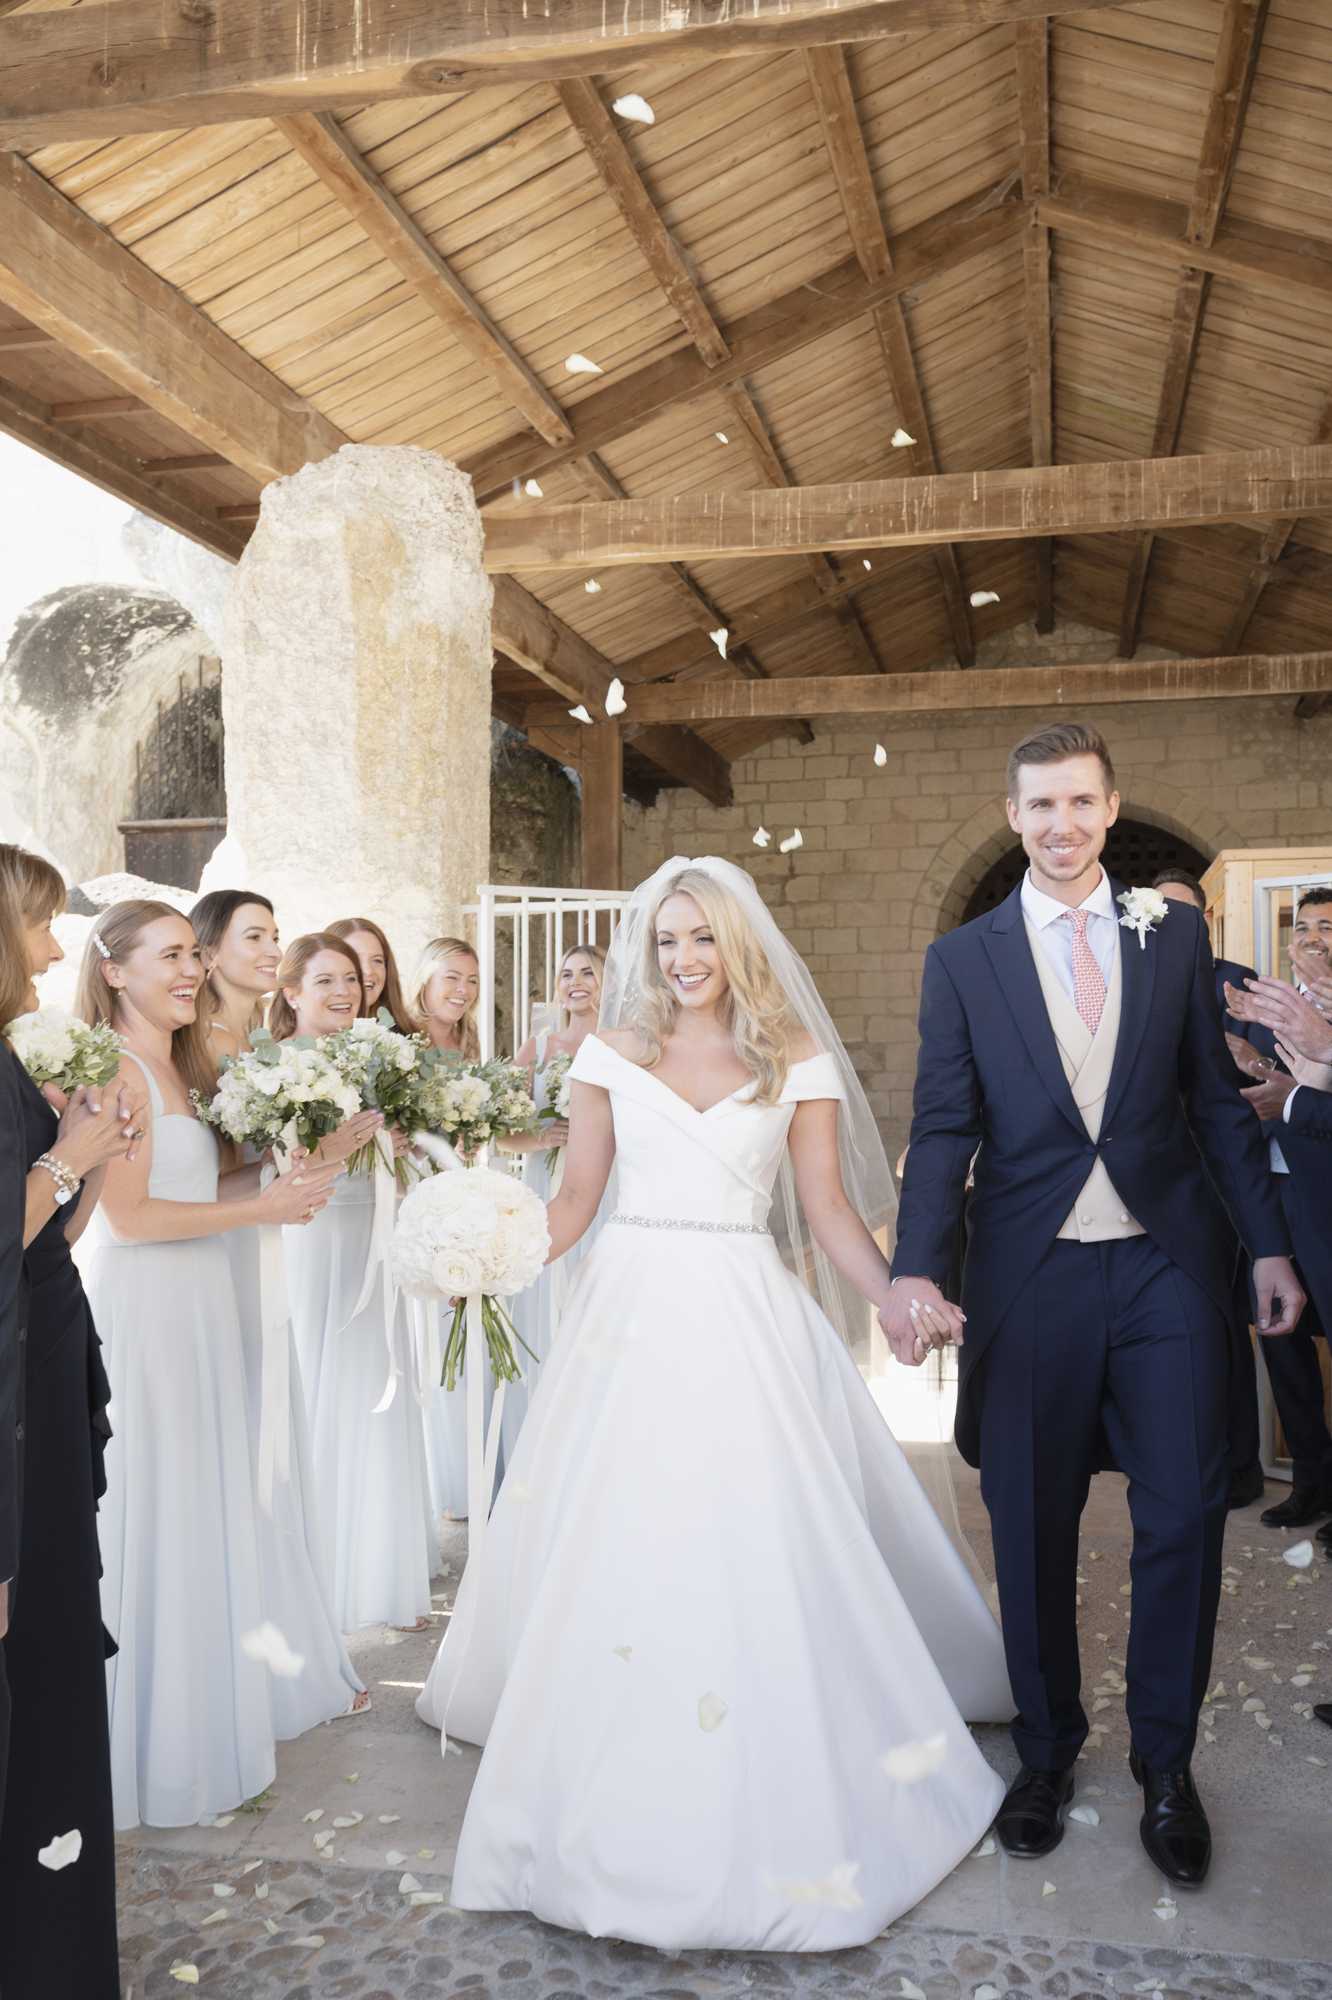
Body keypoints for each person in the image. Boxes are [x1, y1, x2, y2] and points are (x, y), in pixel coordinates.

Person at [417, 857, 1013, 1954]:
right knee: (625, 1535)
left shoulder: (794, 1056)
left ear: (739, 944)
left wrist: (895, 1294)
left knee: (754, 1536)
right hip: (627, 1316)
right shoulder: (609, 1053)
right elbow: (577, 1201)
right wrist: (484, 1253)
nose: (683, 960)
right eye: (667, 941)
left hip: (742, 1306)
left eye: (702, 939)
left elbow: (829, 1210)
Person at [887, 722, 1302, 1888]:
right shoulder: (963, 959)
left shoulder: (1171, 934)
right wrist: (919, 1266)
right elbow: (943, 1127)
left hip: (1167, 1268)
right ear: (1012, 814)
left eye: (1080, 802)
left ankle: (1168, 1766)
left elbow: (1217, 1105)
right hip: (1032, 1278)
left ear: (1111, 807)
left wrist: (1266, 1246)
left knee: (1182, 1518)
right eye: (1040, 806)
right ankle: (1047, 1749)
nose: (1062, 825)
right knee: (1029, 1522)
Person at [78, 902, 341, 1827]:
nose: (190, 972)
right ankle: (137, 1745)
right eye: (171, 957)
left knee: (193, 1505)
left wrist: (286, 1171)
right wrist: (258, 1213)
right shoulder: (111, 1066)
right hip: (146, 1309)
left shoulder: (177, 1066)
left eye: (194, 955)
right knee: (150, 1506)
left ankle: (188, 1730)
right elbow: (131, 1217)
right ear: (113, 971)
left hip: (194, 1304)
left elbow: (198, 1184)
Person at [0, 846, 142, 1997]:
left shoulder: (8, 1057)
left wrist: (82, 1160)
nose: (54, 950)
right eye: (41, 926)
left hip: (44, 1399)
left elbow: (43, 1236)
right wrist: (60, 1157)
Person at [192, 890, 370, 1727]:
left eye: (273, 934)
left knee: (268, 1439)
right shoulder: (193, 1045)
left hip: (254, 1240)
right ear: (208, 948)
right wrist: (304, 1159)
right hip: (211, 1250)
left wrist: (309, 1158)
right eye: (253, 936)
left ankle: (280, 1645)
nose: (270, 948)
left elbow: (264, 1162)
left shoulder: (259, 1047)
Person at [274, 933, 437, 1631]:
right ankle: (322, 1584)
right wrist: (348, 1151)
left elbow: (385, 1154)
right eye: (325, 981)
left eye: (351, 979)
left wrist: (392, 1150)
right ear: (291, 993)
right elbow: (284, 1167)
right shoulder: (275, 1065)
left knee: (379, 1388)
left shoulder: (375, 1062)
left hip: (376, 1236)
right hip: (315, 1240)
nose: (345, 992)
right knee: (323, 1385)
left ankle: (379, 1576)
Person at [1153, 869, 1268, 1510]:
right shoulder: (1130, 975)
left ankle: (1241, 1466)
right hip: (1163, 1187)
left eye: (1182, 915)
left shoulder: (1236, 982)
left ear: (1204, 922)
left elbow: (1257, 1089)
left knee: (1226, 1326)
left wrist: (1240, 1057)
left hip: (1224, 1182)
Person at [1226, 942, 1332, 1543]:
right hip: (1272, 1198)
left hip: (1323, 1199)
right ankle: (1310, 1480)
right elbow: (1276, 1089)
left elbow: (1305, 1097)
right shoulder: (1271, 1011)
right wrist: (1253, 1064)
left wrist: (1287, 1095)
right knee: (1282, 1342)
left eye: (1327, 928)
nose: (1316, 942)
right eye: (1308, 930)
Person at [496, 942, 608, 1461]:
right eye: (567, 974)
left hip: (609, 1192)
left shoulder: (625, 1043)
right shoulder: (537, 1049)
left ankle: (598, 1443)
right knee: (547, 1315)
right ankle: (543, 1453)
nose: (576, 981)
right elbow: (501, 1133)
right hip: (547, 1190)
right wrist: (543, 1136)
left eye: (588, 971)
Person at [410, 936, 485, 1521]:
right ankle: (433, 1479)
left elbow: (483, 1128)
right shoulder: (402, 1041)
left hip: (460, 1192)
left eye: (472, 981)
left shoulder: (470, 1044)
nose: (462, 991)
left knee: (456, 1328)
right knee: (421, 1331)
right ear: (426, 980)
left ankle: (463, 1472)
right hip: (411, 1193)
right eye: (452, 978)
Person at [327, 916, 416, 1032]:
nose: (368, 971)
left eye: (377, 960)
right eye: (355, 959)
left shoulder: (406, 1039)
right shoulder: (311, 1042)